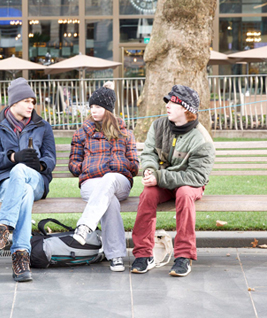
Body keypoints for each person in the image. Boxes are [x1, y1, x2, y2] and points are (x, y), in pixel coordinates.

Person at [130, 85, 214, 277]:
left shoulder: (202, 140)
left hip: (188, 184)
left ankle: (183, 256)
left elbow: (196, 177)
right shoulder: (158, 126)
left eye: (173, 102)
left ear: (185, 108)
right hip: (163, 182)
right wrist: (150, 172)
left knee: (184, 194)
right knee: (148, 194)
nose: (167, 105)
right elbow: (149, 152)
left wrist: (160, 176)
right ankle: (144, 254)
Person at [0, 77, 56, 282]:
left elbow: (51, 157)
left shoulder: (42, 126)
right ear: (14, 102)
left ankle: (2, 230)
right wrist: (14, 158)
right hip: (6, 183)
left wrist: (40, 166)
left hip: (36, 180)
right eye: (27, 101)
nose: (31, 105)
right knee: (24, 190)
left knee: (22, 173)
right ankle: (20, 256)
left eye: (33, 102)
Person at [68, 81, 139, 273]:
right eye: (91, 107)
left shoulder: (125, 133)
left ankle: (85, 225)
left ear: (108, 109)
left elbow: (135, 165)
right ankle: (116, 256)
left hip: (119, 181)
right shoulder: (82, 133)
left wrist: (121, 165)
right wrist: (86, 166)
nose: (93, 110)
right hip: (91, 183)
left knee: (109, 179)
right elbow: (74, 165)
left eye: (98, 107)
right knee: (111, 202)